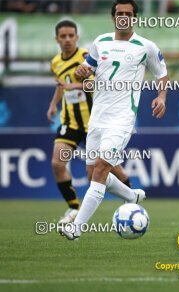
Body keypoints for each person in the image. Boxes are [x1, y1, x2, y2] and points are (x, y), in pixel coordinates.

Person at [61, 0, 169, 240]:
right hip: (97, 118)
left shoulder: (145, 46)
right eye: (119, 13)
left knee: (100, 168)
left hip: (122, 120)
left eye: (128, 13)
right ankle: (131, 196)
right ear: (113, 17)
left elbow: (162, 74)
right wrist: (83, 70)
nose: (123, 17)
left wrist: (162, 97)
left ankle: (76, 228)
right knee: (91, 173)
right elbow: (88, 68)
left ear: (134, 18)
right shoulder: (100, 42)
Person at [47, 20, 132, 224]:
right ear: (57, 39)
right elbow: (61, 85)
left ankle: (132, 202)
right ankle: (74, 208)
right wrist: (53, 104)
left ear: (76, 37)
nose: (67, 40)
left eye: (71, 36)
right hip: (71, 122)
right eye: (63, 36)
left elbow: (98, 81)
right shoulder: (55, 62)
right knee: (58, 163)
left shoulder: (87, 57)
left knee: (108, 170)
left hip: (95, 122)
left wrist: (72, 86)